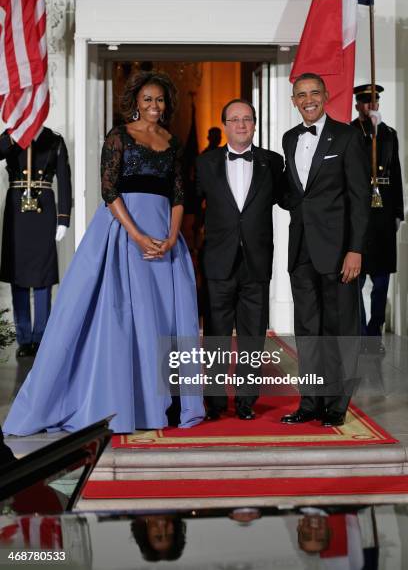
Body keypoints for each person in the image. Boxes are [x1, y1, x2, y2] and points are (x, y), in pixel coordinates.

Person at [3, 70, 205, 435]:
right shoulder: (119, 136)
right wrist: (138, 237)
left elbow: (179, 195)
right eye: (147, 99)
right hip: (123, 236)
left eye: (159, 99)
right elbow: (109, 191)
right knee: (122, 319)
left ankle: (163, 401)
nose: (154, 106)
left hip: (165, 239)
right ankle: (121, 403)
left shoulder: (172, 142)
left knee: (163, 319)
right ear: (135, 102)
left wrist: (173, 237)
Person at [279, 73, 371, 427]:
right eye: (301, 95)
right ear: (294, 101)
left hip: (338, 253)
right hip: (300, 249)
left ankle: (336, 404)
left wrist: (355, 249)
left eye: (314, 92)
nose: (308, 99)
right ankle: (311, 402)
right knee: (308, 330)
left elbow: (359, 199)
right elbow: (295, 191)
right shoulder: (289, 138)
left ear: (326, 95)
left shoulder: (347, 137)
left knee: (339, 330)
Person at [196, 98, 284, 421]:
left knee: (252, 337)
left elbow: (291, 199)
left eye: (247, 119)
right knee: (216, 336)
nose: (242, 125)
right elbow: (191, 209)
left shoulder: (272, 162)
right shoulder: (205, 164)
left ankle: (246, 401)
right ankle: (216, 403)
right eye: (235, 119)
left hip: (257, 263)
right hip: (218, 261)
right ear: (225, 125)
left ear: (255, 124)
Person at [0, 128, 72, 358]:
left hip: (44, 209)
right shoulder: (11, 135)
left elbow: (64, 179)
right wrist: (15, 133)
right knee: (18, 275)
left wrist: (63, 219)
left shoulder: (55, 140)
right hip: (17, 209)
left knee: (42, 276)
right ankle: (24, 339)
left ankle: (40, 337)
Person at [352, 84, 405, 353]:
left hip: (382, 213)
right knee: (357, 280)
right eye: (365, 102)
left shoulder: (388, 133)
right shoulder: (351, 133)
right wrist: (369, 133)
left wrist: (398, 212)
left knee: (381, 279)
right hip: (359, 213)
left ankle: (375, 331)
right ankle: (360, 332)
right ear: (357, 105)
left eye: (375, 101)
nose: (371, 106)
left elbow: (395, 174)